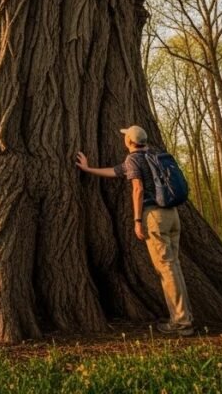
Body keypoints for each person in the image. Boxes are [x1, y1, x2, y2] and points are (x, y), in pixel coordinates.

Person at [76, 124, 195, 336]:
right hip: (172, 215)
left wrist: (137, 220)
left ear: (129, 142)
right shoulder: (155, 155)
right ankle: (184, 316)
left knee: (166, 270)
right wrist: (88, 169)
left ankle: (182, 322)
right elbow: (116, 171)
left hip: (154, 217)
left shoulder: (134, 160)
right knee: (173, 267)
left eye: (125, 137)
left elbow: (138, 188)